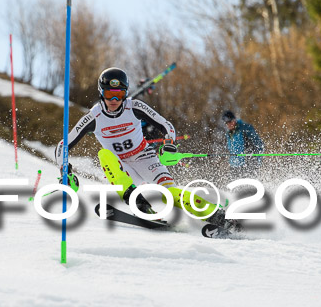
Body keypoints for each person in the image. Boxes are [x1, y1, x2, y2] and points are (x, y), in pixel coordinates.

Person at [54, 67, 237, 231]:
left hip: (145, 158)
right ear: (101, 93)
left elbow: (166, 125)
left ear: (126, 93)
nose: (115, 100)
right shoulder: (94, 116)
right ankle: (139, 204)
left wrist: (169, 144)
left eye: (120, 94)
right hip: (121, 166)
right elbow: (64, 144)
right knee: (104, 155)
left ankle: (218, 216)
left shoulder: (134, 107)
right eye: (110, 95)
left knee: (170, 195)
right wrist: (64, 169)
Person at [222, 110, 264, 178]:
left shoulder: (245, 128)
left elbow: (259, 144)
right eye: (226, 123)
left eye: (230, 121)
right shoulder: (229, 134)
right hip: (235, 166)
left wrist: (257, 161)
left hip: (248, 165)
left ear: (234, 120)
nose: (228, 124)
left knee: (248, 187)